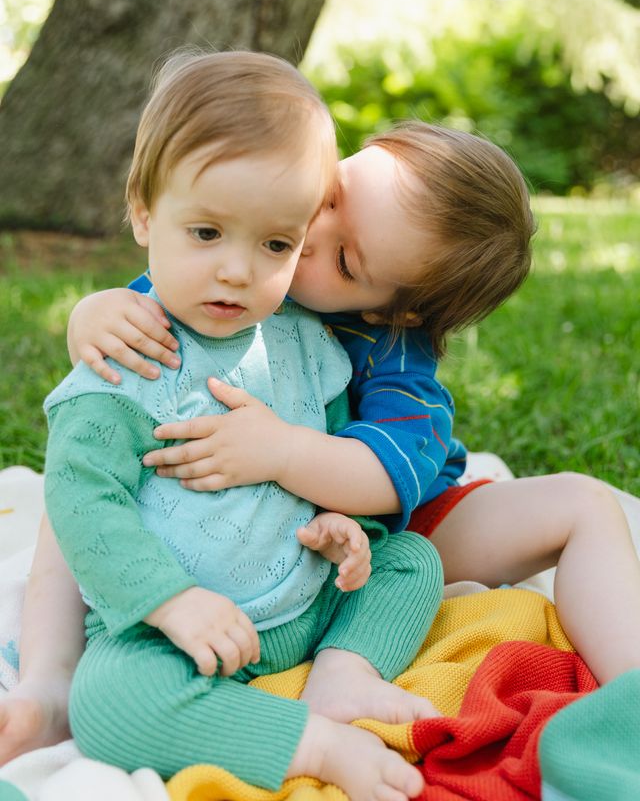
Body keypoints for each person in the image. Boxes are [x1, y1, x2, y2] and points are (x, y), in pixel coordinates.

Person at [4, 96, 640, 771]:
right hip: (225, 517)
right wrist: (94, 315)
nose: (308, 233)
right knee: (73, 492)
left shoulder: (394, 353)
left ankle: (629, 683)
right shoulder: (243, 262)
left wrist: (281, 451)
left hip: (381, 524)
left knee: (581, 502)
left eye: (344, 258)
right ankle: (51, 681)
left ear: (395, 307)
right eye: (332, 195)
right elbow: (148, 320)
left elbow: (383, 476)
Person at [8, 50, 445, 800]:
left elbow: (330, 439)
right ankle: (312, 741)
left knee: (413, 562)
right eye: (207, 233)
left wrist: (345, 530)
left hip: (305, 599)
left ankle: (342, 676)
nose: (239, 271)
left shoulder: (306, 342)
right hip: (179, 628)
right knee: (109, 704)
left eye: (275, 244)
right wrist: (171, 603)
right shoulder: (129, 357)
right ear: (144, 213)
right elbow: (83, 504)